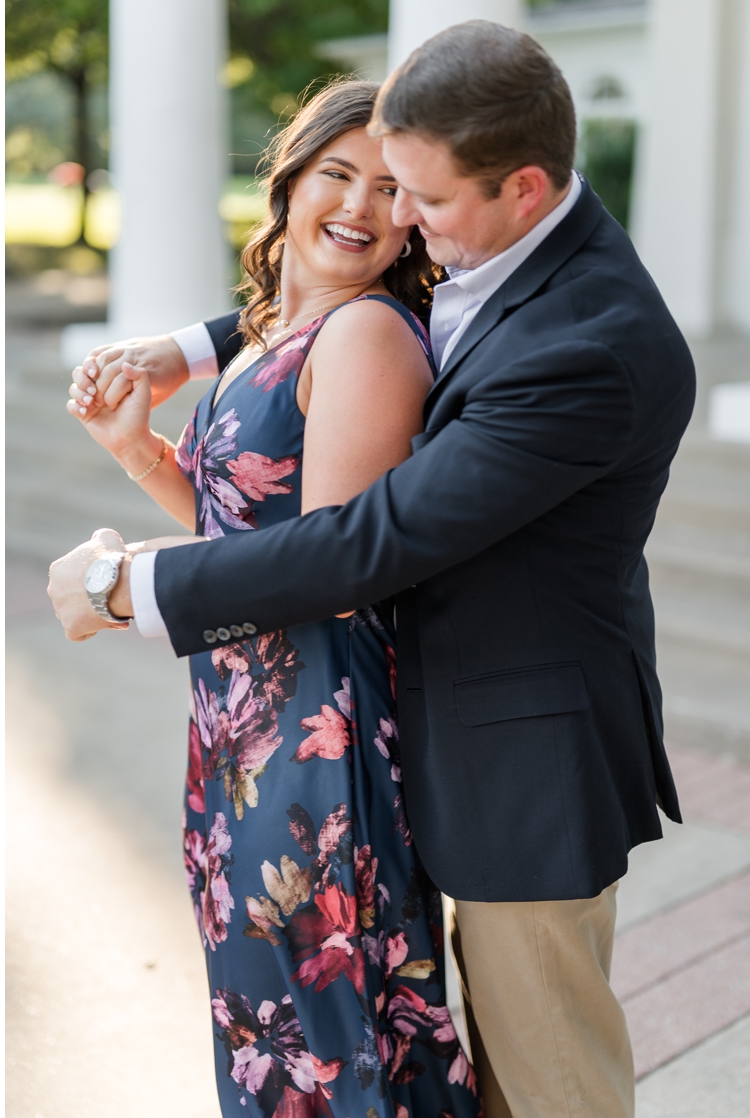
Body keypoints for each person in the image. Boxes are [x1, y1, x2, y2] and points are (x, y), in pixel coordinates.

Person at [52, 21, 695, 1118]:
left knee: (551, 1084)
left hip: (520, 761)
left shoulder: (589, 346)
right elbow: (353, 299)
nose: (400, 220)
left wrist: (130, 590)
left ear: (524, 186)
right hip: (418, 729)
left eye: (418, 197)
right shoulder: (509, 248)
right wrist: (195, 346)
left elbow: (363, 540)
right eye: (368, 181)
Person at [65, 78, 479, 1118]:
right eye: (337, 174)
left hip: (315, 732)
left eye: (391, 190)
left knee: (328, 1029)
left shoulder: (368, 336)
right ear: (289, 181)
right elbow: (243, 527)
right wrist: (142, 453)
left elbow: (322, 565)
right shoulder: (268, 337)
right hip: (236, 726)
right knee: (268, 1020)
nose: (360, 205)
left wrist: (124, 587)